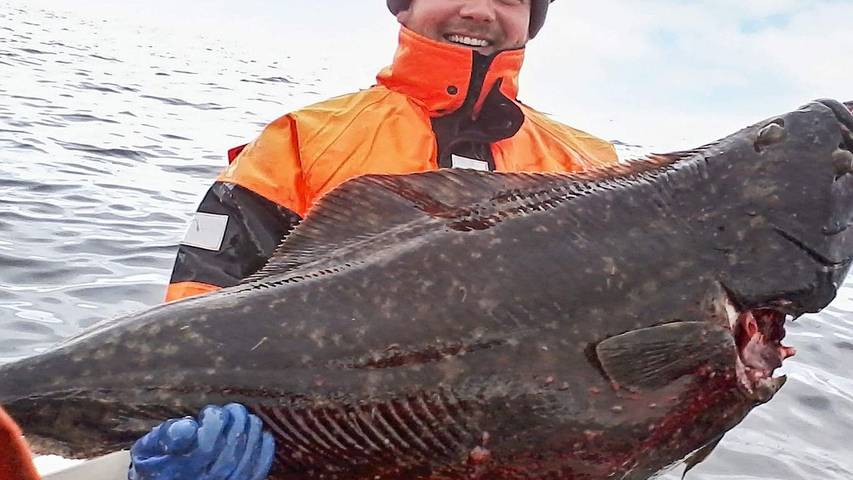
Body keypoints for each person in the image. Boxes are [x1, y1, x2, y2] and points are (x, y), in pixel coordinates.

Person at [165, 0, 618, 302]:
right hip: (320, 410)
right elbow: (203, 291)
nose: (480, 10)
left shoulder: (593, 169)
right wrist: (197, 400)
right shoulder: (300, 141)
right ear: (406, 4)